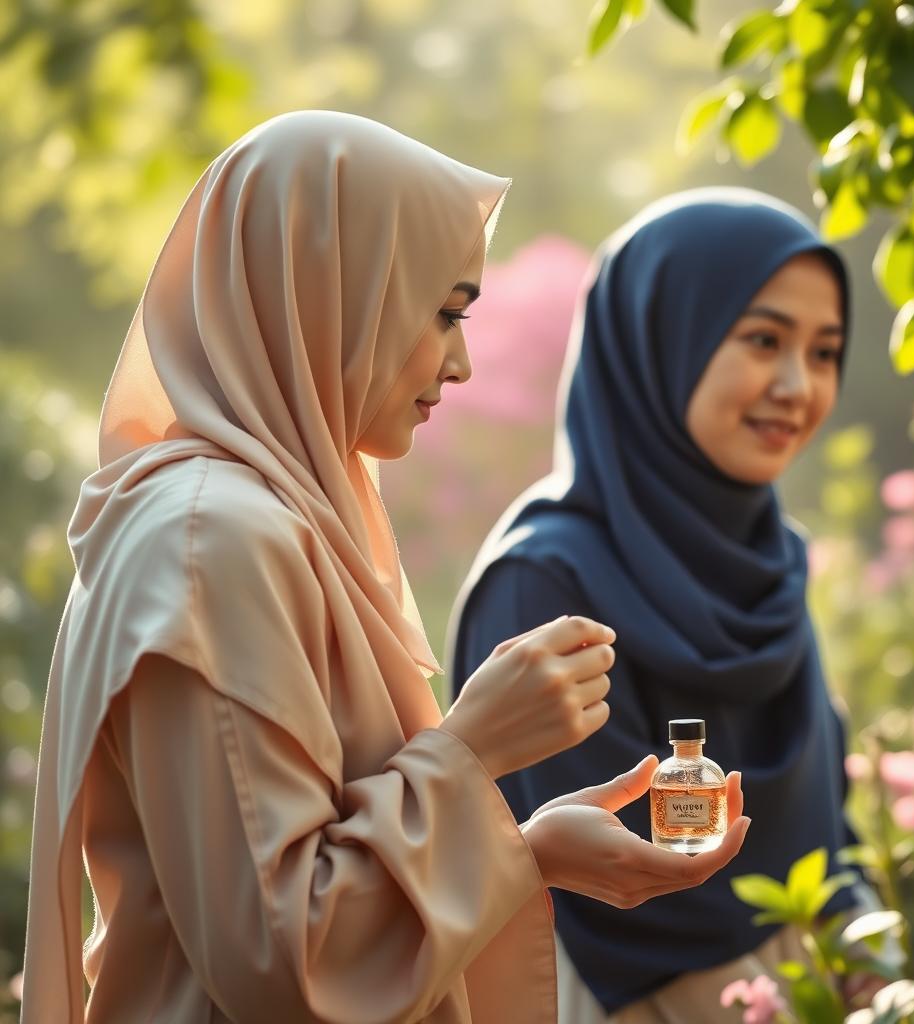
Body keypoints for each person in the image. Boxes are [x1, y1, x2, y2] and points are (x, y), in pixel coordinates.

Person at [20, 113, 750, 1024]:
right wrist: (476, 746)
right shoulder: (214, 540)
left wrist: (527, 851)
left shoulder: (255, 519)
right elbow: (285, 957)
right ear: (332, 293)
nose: (463, 361)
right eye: (444, 312)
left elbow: (297, 880)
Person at [450, 188, 883, 1023]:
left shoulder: (769, 565)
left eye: (825, 351)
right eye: (763, 339)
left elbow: (828, 828)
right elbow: (614, 902)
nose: (798, 385)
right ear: (660, 341)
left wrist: (880, 967)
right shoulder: (544, 583)